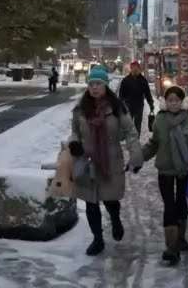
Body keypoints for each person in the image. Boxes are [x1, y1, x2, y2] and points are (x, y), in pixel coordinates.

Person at [68, 66, 143, 256]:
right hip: (87, 161)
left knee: (110, 200)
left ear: (106, 86)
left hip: (111, 161)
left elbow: (130, 132)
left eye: (98, 84)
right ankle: (97, 239)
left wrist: (135, 156)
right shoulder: (80, 109)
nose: (94, 87)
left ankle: (115, 220)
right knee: (91, 203)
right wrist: (74, 143)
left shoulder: (117, 108)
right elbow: (75, 131)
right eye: (91, 84)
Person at [142, 86, 188, 265]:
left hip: (184, 171)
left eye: (176, 100)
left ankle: (181, 238)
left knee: (180, 203)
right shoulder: (160, 121)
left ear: (182, 101)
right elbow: (154, 144)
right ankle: (172, 247)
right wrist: (139, 157)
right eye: (170, 100)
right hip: (165, 170)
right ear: (165, 102)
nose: (173, 104)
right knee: (169, 206)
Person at [118, 61, 154, 134]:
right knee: (128, 124)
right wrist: (121, 104)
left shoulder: (143, 80)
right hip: (128, 105)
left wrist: (151, 104)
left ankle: (137, 138)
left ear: (139, 69)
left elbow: (147, 93)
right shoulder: (126, 80)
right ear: (131, 69)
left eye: (136, 68)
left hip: (139, 105)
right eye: (133, 68)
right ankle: (129, 138)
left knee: (138, 125)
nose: (135, 69)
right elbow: (121, 94)